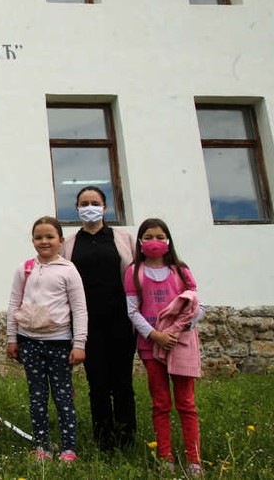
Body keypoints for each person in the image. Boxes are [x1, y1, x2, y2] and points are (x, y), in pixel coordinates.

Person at [125, 218, 205, 476]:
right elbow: (132, 311)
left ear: (168, 240)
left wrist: (177, 331)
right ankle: (165, 458)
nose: (154, 241)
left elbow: (197, 308)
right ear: (140, 241)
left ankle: (194, 461)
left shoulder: (180, 271)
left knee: (186, 403)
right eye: (148, 237)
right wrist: (155, 335)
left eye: (159, 236)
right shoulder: (133, 271)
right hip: (151, 346)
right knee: (160, 403)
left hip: (181, 345)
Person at [61, 186, 137, 451]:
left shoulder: (123, 237)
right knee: (98, 383)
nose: (89, 206)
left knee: (123, 383)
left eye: (95, 202)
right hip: (87, 325)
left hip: (121, 321)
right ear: (77, 209)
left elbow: (137, 276)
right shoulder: (68, 244)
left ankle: (127, 439)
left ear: (105, 208)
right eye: (84, 203)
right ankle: (104, 439)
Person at [7, 216, 87, 463]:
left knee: (63, 397)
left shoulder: (69, 270)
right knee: (37, 396)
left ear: (61, 240)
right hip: (29, 343)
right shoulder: (25, 269)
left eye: (50, 236)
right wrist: (12, 338)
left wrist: (79, 343)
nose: (44, 241)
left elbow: (79, 308)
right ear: (33, 241)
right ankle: (42, 445)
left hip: (60, 343)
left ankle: (68, 448)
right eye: (39, 237)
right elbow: (13, 303)